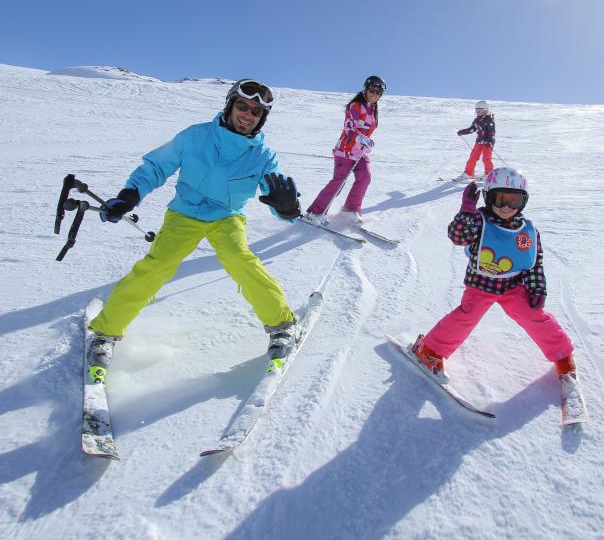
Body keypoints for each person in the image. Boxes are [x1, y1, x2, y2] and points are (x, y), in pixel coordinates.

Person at [86, 79, 303, 381]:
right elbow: (156, 166)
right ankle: (105, 332)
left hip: (227, 216)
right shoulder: (195, 136)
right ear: (230, 105)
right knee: (158, 265)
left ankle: (282, 325)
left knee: (239, 258)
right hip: (184, 213)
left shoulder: (263, 155)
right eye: (242, 106)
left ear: (261, 118)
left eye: (255, 112)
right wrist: (129, 195)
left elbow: (275, 189)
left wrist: (287, 209)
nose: (247, 115)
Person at [411, 167, 577, 385]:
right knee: (465, 318)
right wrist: (467, 210)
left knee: (535, 317)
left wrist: (537, 287)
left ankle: (562, 355)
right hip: (481, 286)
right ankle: (430, 349)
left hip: (513, 287)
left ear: (523, 202)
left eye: (514, 201)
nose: (506, 207)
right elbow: (458, 237)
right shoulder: (480, 221)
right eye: (500, 200)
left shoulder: (526, 230)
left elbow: (533, 261)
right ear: (488, 198)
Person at [305, 76, 385, 225]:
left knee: (365, 177)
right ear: (365, 89)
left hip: (360, 152)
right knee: (339, 182)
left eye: (378, 93)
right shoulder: (356, 105)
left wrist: (366, 142)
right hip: (346, 150)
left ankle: (350, 210)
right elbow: (349, 128)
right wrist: (361, 138)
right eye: (372, 91)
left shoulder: (372, 107)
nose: (374, 95)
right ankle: (315, 212)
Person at [456, 100, 495, 181]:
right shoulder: (476, 120)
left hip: (487, 142)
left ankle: (489, 174)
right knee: (473, 157)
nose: (478, 111)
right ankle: (468, 173)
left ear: (485, 110)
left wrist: (489, 141)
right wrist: (462, 132)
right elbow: (472, 129)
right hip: (479, 142)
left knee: (486, 158)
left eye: (480, 110)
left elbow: (492, 132)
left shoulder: (489, 120)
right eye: (477, 110)